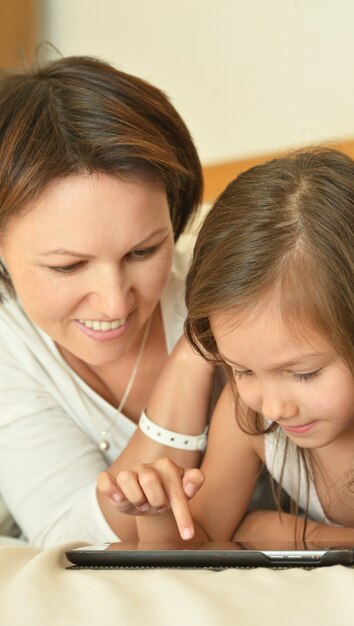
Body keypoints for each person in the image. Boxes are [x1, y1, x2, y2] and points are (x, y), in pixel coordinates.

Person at [98, 147, 354, 559]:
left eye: (305, 373)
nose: (274, 407)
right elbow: (204, 538)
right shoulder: (248, 413)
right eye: (242, 370)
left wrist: (272, 529)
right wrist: (158, 514)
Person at [0, 55, 214, 548]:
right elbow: (66, 540)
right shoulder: (11, 349)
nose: (116, 304)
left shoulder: (223, 278)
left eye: (144, 251)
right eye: (68, 266)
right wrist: (188, 366)